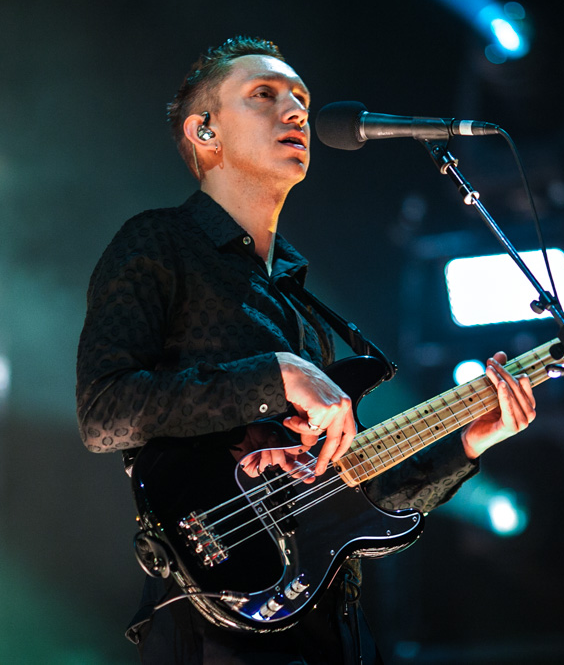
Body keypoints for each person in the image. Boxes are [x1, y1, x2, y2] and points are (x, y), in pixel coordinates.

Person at [75, 36, 537, 665]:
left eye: (300, 98)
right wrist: (275, 374)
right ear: (204, 131)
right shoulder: (159, 244)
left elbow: (348, 508)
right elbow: (103, 412)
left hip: (333, 629)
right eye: (263, 95)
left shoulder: (308, 310)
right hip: (214, 622)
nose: (296, 111)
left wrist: (468, 443)